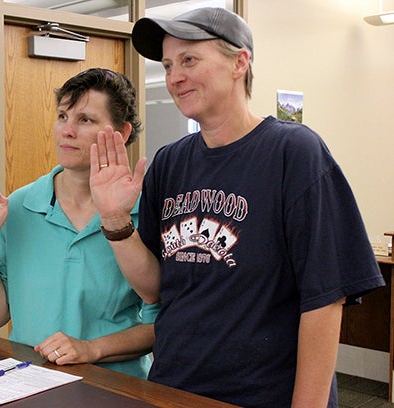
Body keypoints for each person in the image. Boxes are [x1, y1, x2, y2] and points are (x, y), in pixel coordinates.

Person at [89, 7, 385, 407]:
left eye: (189, 60)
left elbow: (325, 300)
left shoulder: (293, 152)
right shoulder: (169, 163)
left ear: (239, 62)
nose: (175, 77)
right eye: (168, 64)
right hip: (173, 387)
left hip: (263, 395)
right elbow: (156, 288)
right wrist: (115, 219)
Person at [0, 68, 160, 378]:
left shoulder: (144, 212)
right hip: (30, 381)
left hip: (115, 387)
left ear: (120, 134)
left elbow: (160, 324)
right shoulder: (19, 206)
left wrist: (91, 348)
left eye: (85, 120)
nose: (67, 131)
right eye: (62, 116)